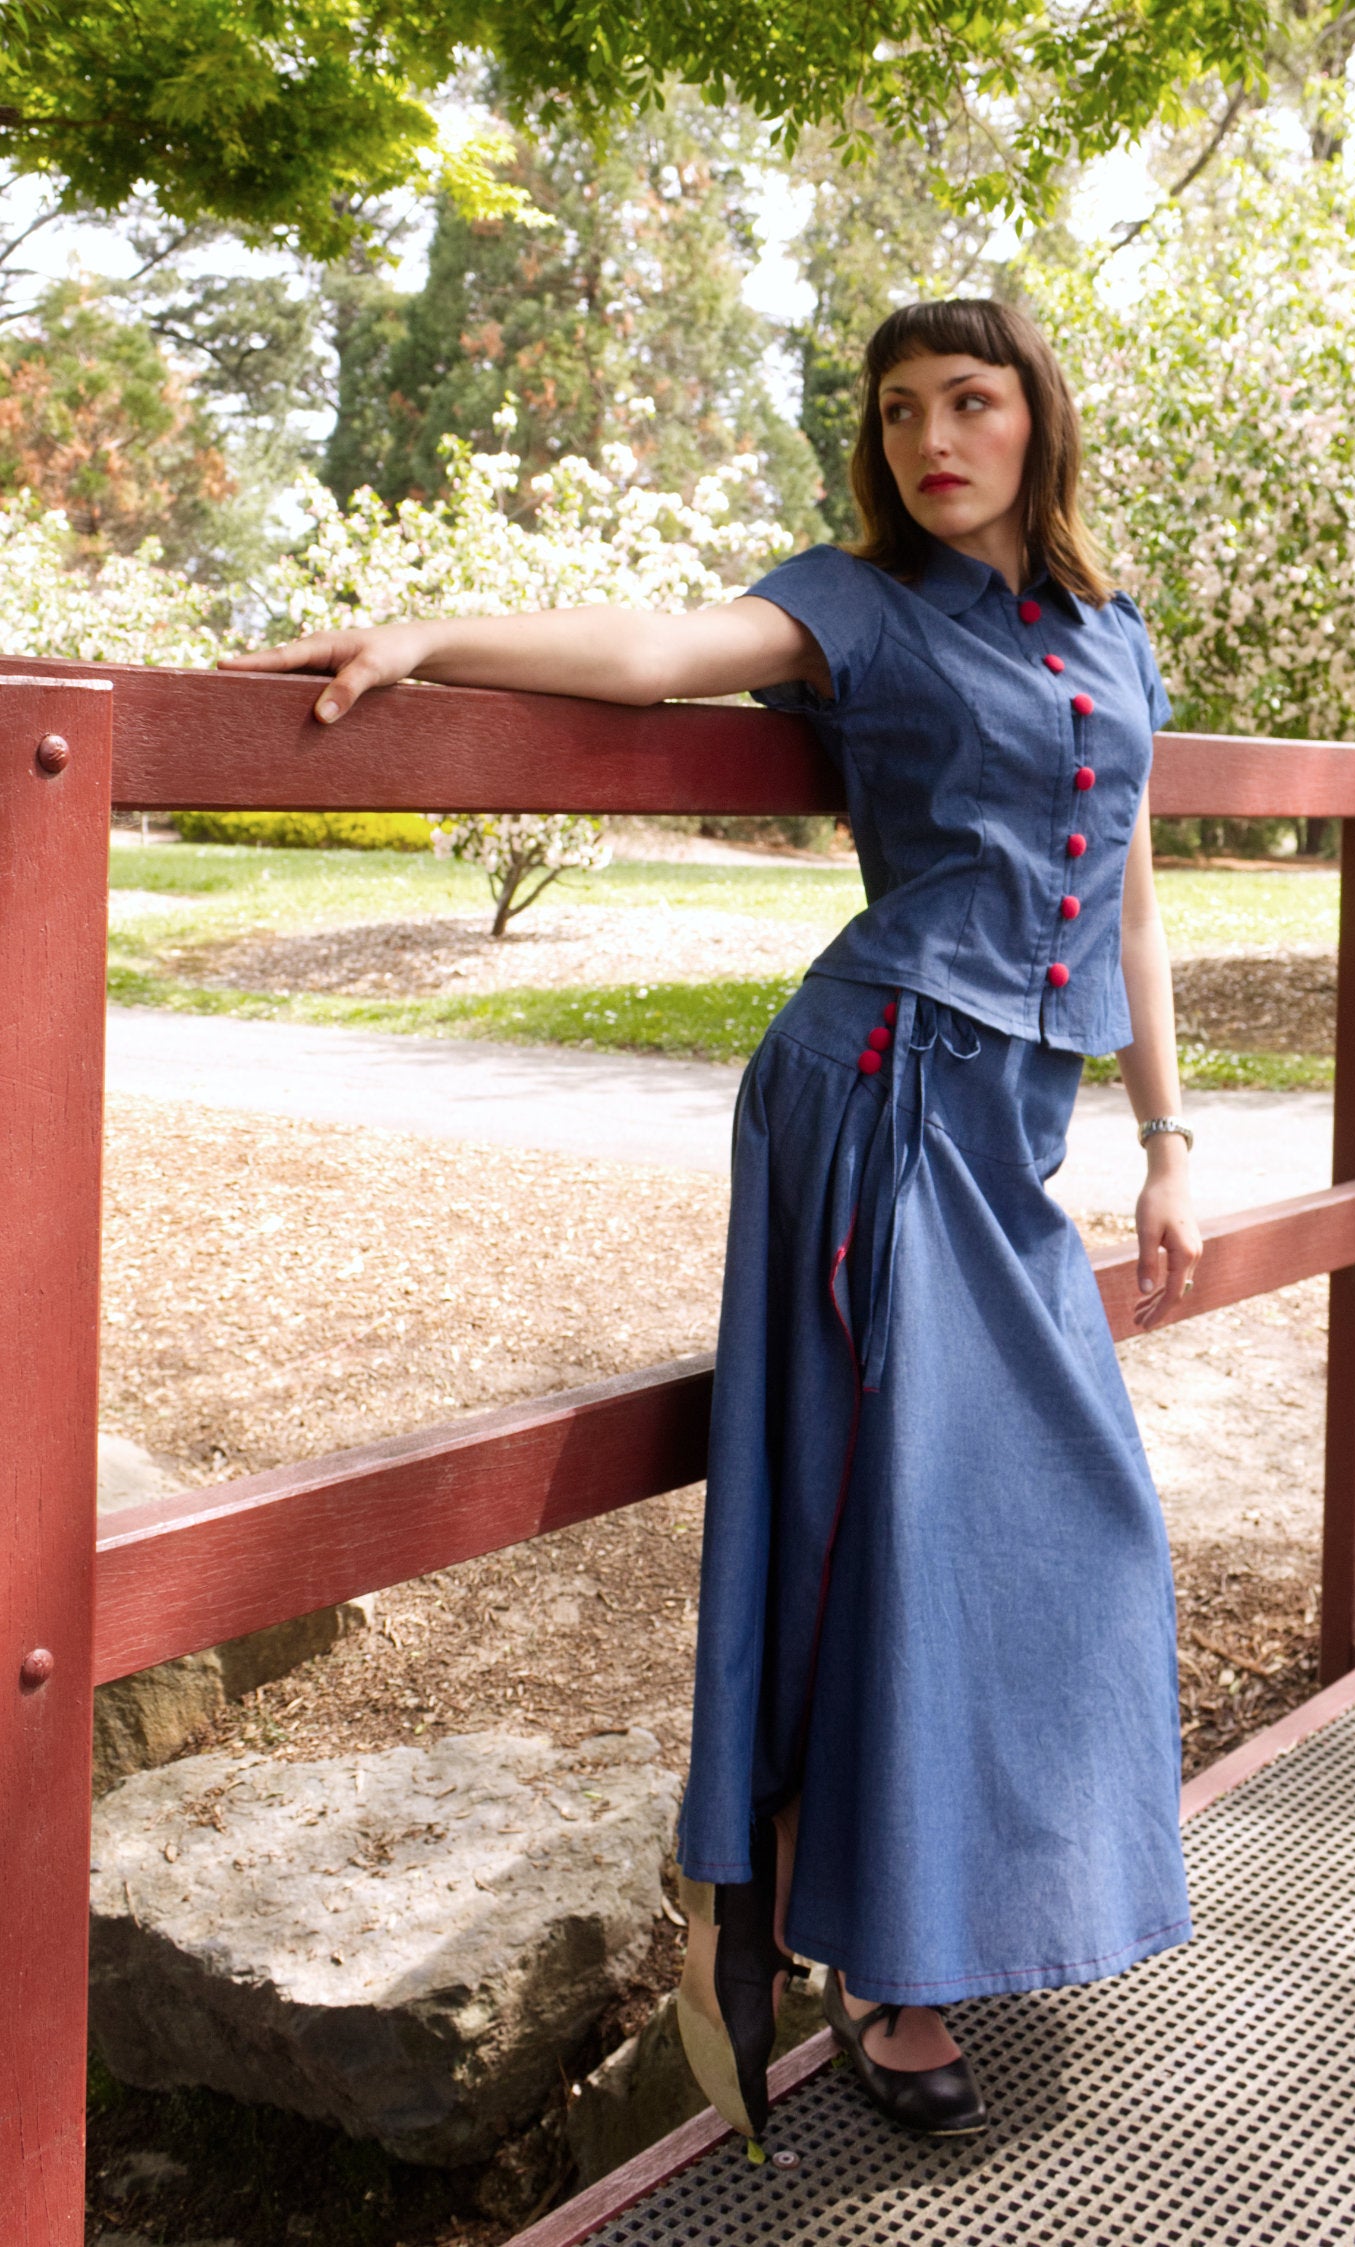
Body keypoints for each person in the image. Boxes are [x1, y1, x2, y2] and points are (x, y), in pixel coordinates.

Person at [222, 295, 1202, 2149]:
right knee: (889, 1531)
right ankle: (879, 1961)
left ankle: (912, 1900)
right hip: (878, 1094)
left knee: (1078, 1526)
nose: (934, 439)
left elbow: (1135, 908)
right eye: (899, 409)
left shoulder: (1111, 630)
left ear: (1036, 419)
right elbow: (662, 649)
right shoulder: (858, 604)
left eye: (970, 400)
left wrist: (1165, 1141)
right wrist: (429, 632)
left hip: (1007, 1131)